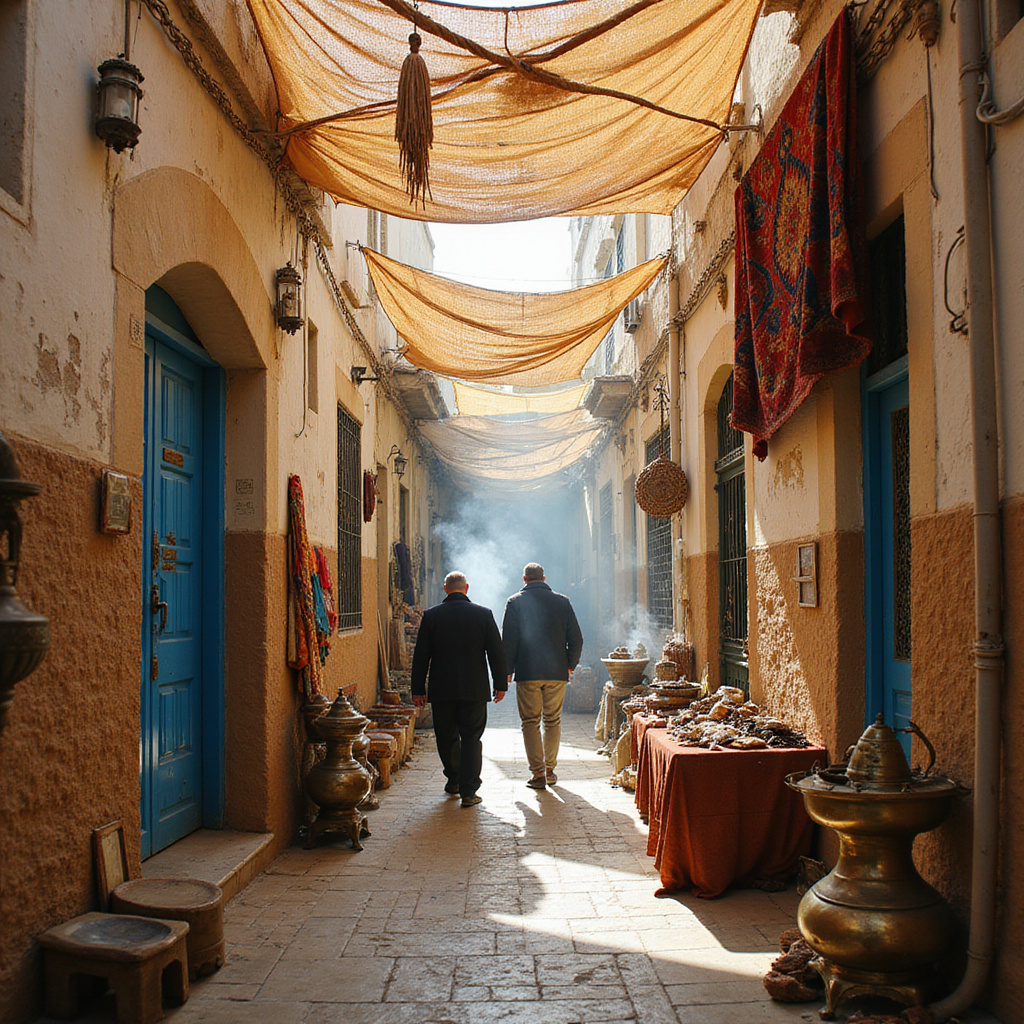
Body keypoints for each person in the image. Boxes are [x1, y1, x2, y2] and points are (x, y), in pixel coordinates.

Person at [411, 571, 506, 807]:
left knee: (446, 736)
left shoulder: (431, 616)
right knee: (472, 737)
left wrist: (417, 689)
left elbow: (421, 656)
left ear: (445, 588)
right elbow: (496, 652)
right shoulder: (483, 615)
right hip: (474, 689)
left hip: (442, 689)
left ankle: (453, 779)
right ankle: (468, 791)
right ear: (466, 588)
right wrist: (500, 684)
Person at [502, 563, 583, 790]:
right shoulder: (562, 602)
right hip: (557, 673)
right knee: (552, 720)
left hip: (528, 672)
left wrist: (506, 672)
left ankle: (537, 773)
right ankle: (550, 769)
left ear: (524, 579)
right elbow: (576, 639)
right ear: (544, 578)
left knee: (530, 722)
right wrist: (569, 665)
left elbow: (509, 641)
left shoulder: (515, 602)